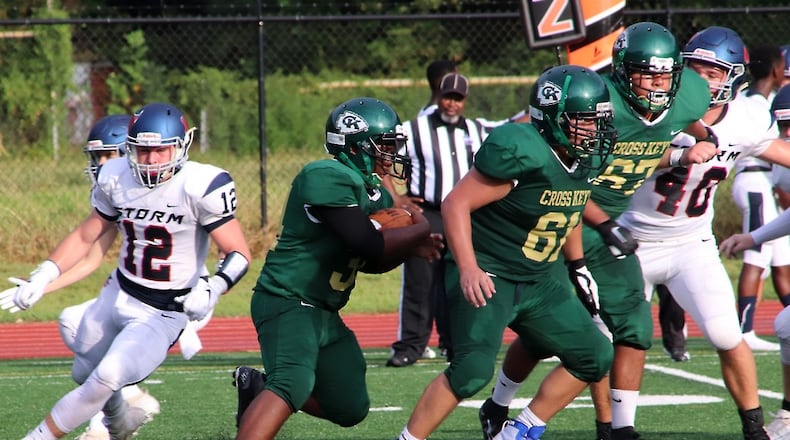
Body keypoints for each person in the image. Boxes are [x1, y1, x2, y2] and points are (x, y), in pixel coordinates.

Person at [479, 21, 718, 440]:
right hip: (560, 219)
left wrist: (695, 144)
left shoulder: (686, 95)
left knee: (633, 327)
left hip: (611, 226)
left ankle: (619, 428)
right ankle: (501, 406)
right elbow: (562, 177)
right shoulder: (596, 101)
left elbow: (681, 126)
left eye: (665, 73)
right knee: (552, 332)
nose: (657, 83)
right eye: (647, 72)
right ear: (623, 70)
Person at [0, 102, 252, 440]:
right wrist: (45, 273)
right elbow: (86, 234)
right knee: (83, 371)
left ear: (181, 145)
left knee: (107, 376)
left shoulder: (200, 185)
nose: (150, 160)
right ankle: (120, 424)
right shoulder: (116, 175)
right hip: (118, 291)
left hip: (164, 309)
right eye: (142, 150)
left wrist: (214, 287)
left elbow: (238, 252)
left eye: (160, 150)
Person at [394, 64, 617, 440]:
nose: (594, 130)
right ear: (554, 118)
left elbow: (571, 208)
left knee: (595, 354)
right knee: (471, 372)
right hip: (491, 271)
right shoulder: (524, 150)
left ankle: (518, 431)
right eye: (584, 120)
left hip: (541, 278)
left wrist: (576, 265)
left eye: (598, 120)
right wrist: (467, 267)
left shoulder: (580, 157)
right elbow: (455, 204)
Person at [232, 97, 443, 440]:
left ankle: (257, 387)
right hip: (288, 298)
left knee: (349, 406)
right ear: (357, 144)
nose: (391, 153)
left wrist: (410, 248)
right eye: (385, 144)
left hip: (325, 310)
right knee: (292, 383)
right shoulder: (326, 175)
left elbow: (373, 261)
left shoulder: (378, 196)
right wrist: (419, 228)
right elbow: (365, 242)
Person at [620, 26, 790, 440]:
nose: (700, 79)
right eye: (693, 68)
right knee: (617, 337)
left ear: (732, 76)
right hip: (629, 241)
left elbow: (775, 150)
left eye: (711, 71)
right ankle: (616, 429)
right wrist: (678, 153)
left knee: (726, 332)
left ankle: (755, 429)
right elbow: (623, 150)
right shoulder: (656, 107)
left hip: (691, 244)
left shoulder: (748, 117)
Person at [387, 72, 488, 367]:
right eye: (447, 97)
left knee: (457, 280)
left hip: (463, 214)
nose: (451, 104)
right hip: (427, 212)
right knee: (420, 281)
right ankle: (411, 346)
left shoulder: (477, 130)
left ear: (464, 101)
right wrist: (397, 198)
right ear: (438, 96)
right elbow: (383, 162)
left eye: (457, 98)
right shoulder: (413, 129)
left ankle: (454, 343)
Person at [720, 83, 790, 440]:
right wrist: (754, 238)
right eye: (784, 126)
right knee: (787, 324)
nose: (788, 134)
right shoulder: (781, 166)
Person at [730, 44, 790, 351]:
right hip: (754, 177)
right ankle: (745, 328)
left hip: (763, 179)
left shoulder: (762, 100)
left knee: (780, 259)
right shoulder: (752, 103)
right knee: (758, 255)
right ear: (777, 69)